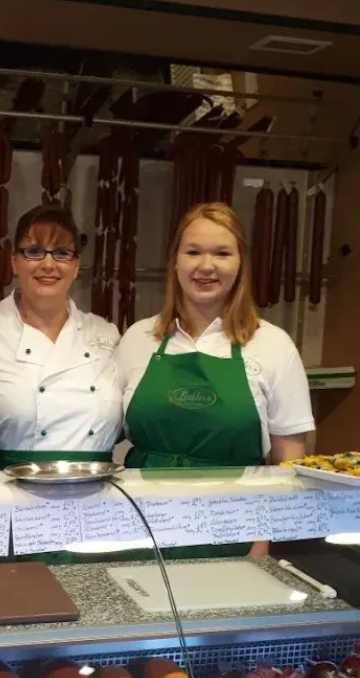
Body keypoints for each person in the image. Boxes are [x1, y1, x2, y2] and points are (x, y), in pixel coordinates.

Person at [117, 202, 315, 560]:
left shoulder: (272, 345)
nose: (206, 266)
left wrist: (264, 540)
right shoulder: (138, 338)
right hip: (139, 524)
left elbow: (289, 460)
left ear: (240, 263)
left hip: (234, 527)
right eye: (193, 252)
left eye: (222, 253)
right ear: (175, 261)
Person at [0, 204, 123, 470]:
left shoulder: (106, 334)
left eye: (62, 253)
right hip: (3, 487)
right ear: (14, 262)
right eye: (34, 252)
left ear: (76, 265)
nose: (48, 264)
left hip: (95, 488)